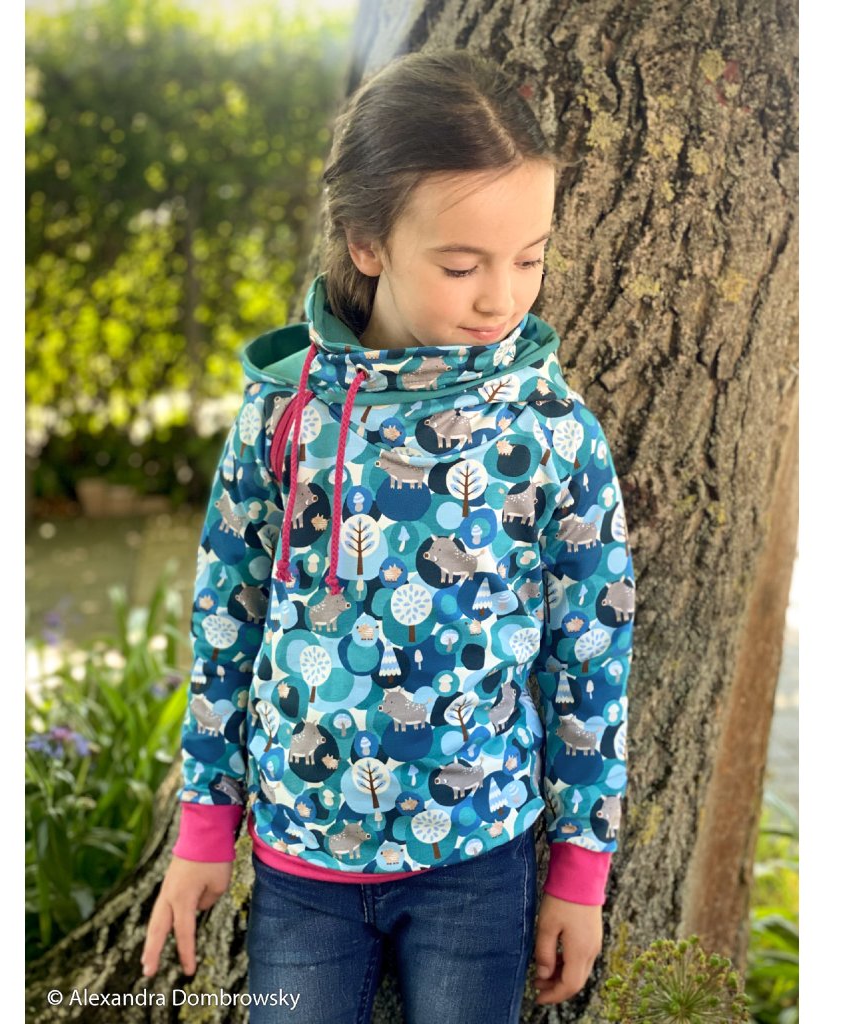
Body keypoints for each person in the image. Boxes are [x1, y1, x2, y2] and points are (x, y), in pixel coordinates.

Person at [142, 48, 636, 1023]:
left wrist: (581, 869)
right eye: (461, 264)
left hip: (477, 857)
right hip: (300, 861)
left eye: (529, 258)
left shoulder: (551, 433)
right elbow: (227, 623)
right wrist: (204, 827)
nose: (501, 297)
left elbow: (593, 655)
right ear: (367, 243)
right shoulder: (282, 416)